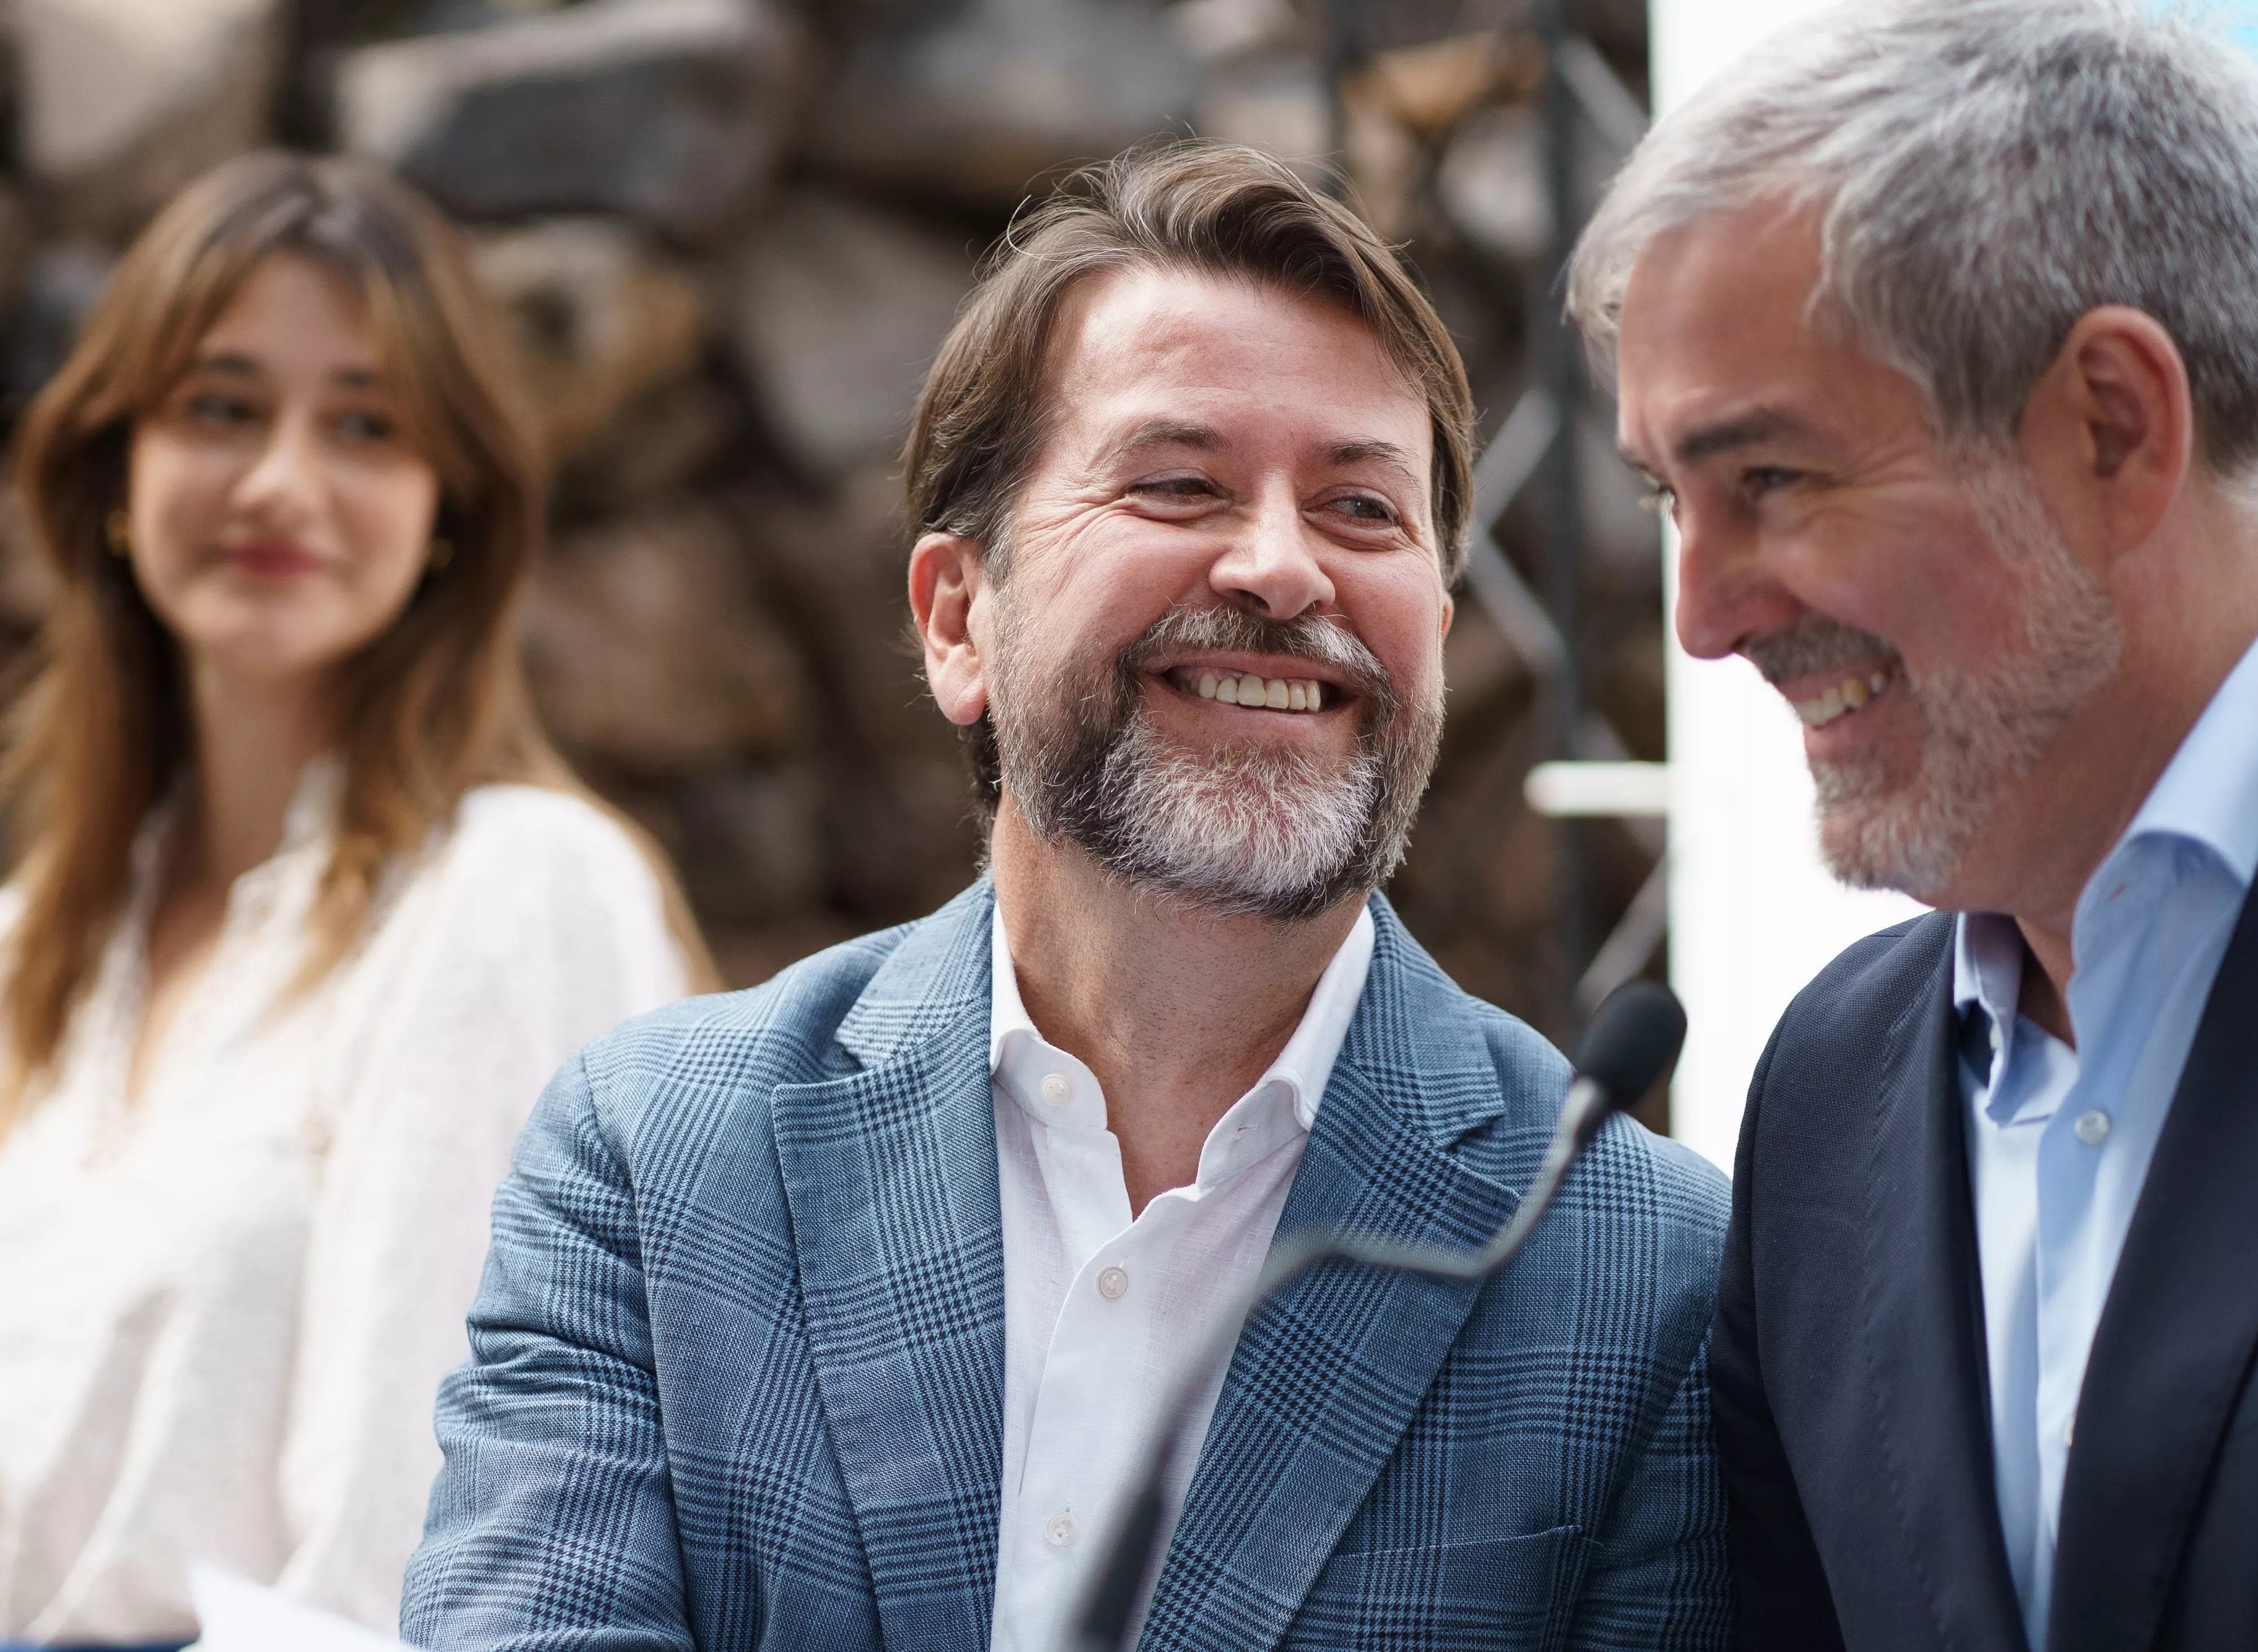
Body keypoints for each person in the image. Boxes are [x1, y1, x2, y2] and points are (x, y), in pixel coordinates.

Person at [402, 141, 1731, 1652]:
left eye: (1364, 511)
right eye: (1179, 483)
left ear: (1435, 618)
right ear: (958, 620)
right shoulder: (652, 1165)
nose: (1284, 566)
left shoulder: (1646, 1266)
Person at [1568, 1, 2258, 1648]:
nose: (1699, 617)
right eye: (1664, 498)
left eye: (1769, 477)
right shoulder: (1829, 1094)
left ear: (2113, 423)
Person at [0, 152, 712, 1644]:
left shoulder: (513, 890)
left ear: (448, 503)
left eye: (366, 426)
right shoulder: (28, 952)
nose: (281, 484)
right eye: (221, 407)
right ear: (112, 470)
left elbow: (444, 1563)